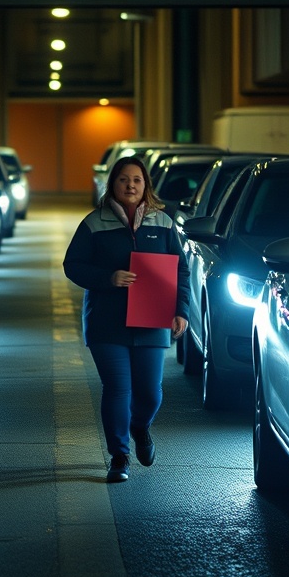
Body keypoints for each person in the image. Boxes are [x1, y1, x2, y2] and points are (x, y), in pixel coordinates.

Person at [63, 155, 191, 482]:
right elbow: (73, 265)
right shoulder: (95, 222)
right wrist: (108, 278)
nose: (130, 185)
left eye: (136, 179)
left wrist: (181, 310)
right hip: (107, 321)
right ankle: (119, 456)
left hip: (152, 317)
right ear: (113, 184)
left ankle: (140, 427)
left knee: (150, 393)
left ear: (145, 184)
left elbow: (181, 269)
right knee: (118, 388)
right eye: (123, 179)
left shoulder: (163, 223)